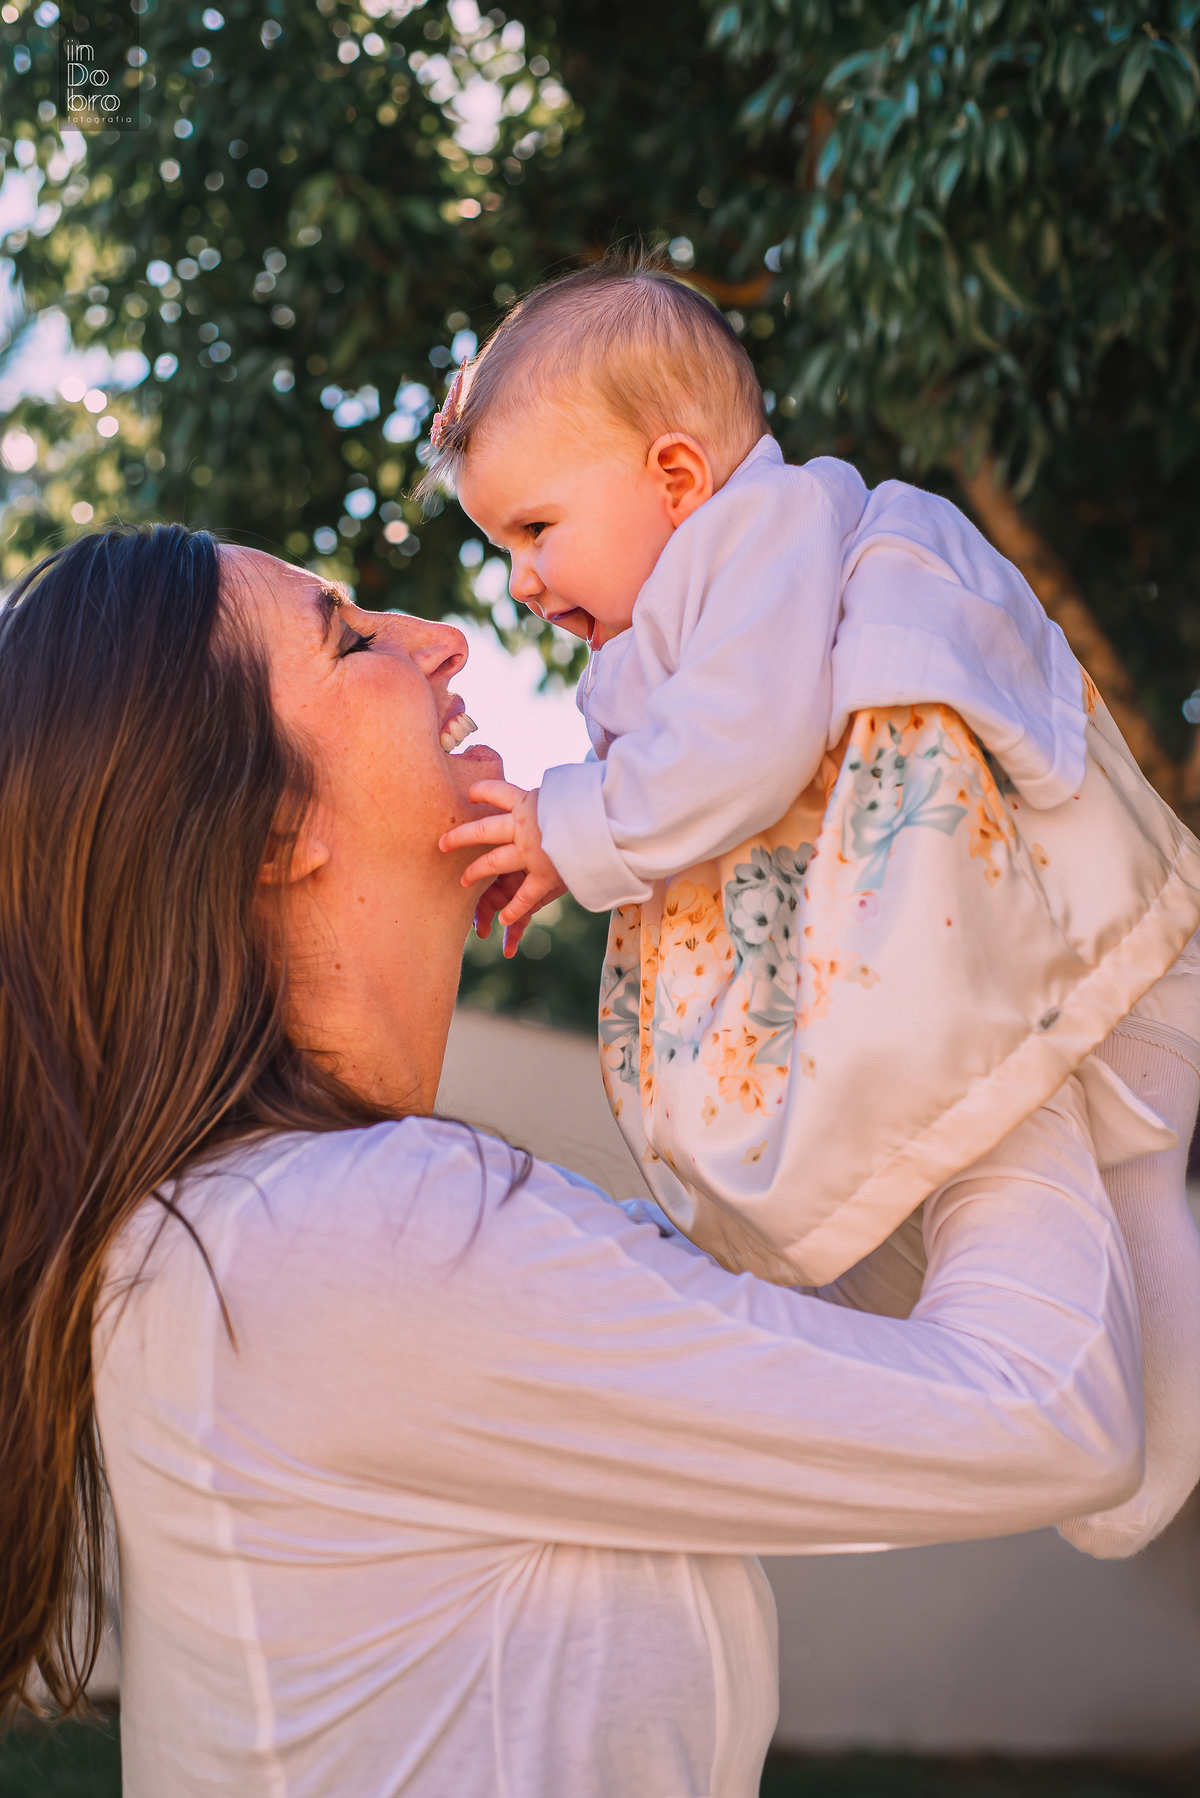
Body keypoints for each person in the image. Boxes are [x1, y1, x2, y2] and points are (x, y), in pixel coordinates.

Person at [0, 525, 1153, 1795]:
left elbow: (855, 1323)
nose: (441, 638)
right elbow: (1042, 1416)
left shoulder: (255, 1231)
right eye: (349, 636)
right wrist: (980, 946)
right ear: (272, 825)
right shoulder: (352, 1239)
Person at [431, 255, 1200, 1555]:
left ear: (676, 477)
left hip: (1039, 934)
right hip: (1033, 961)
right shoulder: (665, 623)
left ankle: (1138, 1436)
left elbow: (746, 740)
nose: (518, 580)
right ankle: (1154, 1450)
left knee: (1108, 1169)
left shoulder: (767, 531)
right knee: (1133, 1184)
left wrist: (574, 825)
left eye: (535, 529)